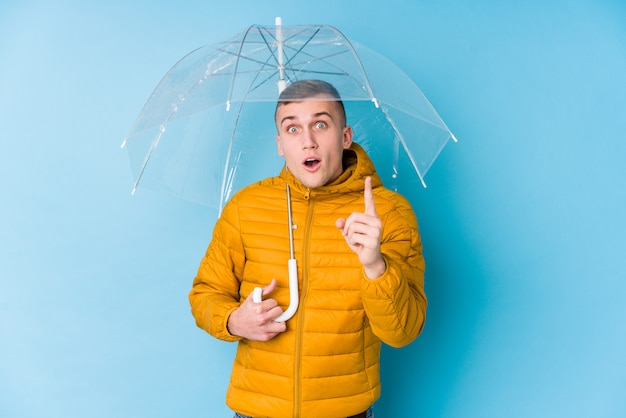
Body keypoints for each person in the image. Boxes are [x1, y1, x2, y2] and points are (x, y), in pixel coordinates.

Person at [189, 79, 427, 418]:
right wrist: (232, 320)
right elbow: (204, 294)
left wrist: (376, 265)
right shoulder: (245, 208)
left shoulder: (389, 214)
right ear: (280, 144)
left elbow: (402, 332)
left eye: (320, 124)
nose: (308, 142)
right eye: (292, 128)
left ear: (345, 136)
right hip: (256, 411)